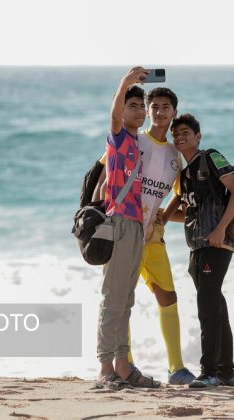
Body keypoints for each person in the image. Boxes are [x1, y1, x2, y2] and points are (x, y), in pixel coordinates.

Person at [95, 87, 196, 385]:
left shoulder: (176, 156)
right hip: (121, 231)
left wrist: (167, 213)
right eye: (155, 106)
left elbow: (179, 194)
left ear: (175, 112)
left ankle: (176, 368)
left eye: (167, 107)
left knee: (167, 296)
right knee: (118, 298)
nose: (160, 112)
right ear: (146, 111)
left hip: (151, 237)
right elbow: (103, 182)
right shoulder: (133, 140)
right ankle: (123, 364)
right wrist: (99, 223)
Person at [162, 113, 234, 388]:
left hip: (216, 243)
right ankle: (226, 373)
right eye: (176, 134)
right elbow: (187, 212)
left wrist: (221, 228)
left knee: (207, 307)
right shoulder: (184, 175)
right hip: (197, 246)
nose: (180, 137)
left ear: (198, 136)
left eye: (185, 132)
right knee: (216, 306)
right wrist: (159, 216)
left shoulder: (211, 157)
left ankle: (209, 372)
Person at [95, 67, 159, 389]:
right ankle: (105, 368)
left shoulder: (137, 143)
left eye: (141, 107)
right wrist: (127, 80)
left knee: (127, 298)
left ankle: (123, 365)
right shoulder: (118, 139)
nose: (138, 111)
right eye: (132, 106)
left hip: (135, 224)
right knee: (112, 297)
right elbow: (114, 114)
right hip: (119, 220)